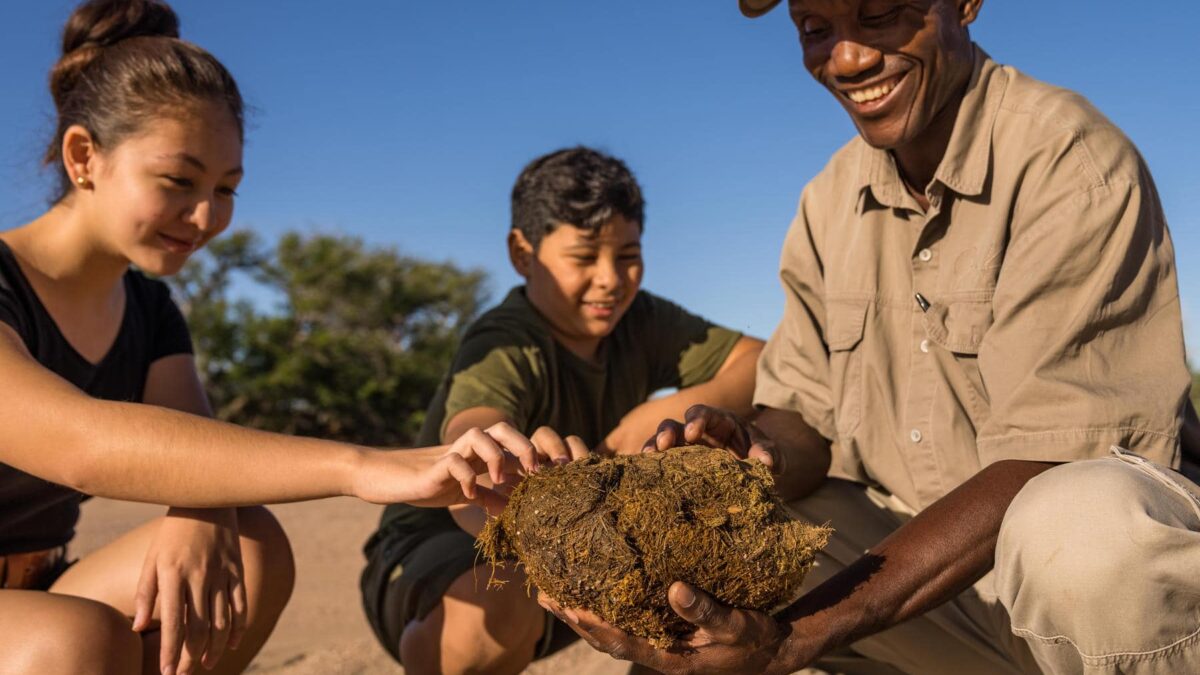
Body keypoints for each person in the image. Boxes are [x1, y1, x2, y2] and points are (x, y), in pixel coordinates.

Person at [539, 1, 1200, 674]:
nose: (848, 60)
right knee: (704, 551)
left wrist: (796, 636)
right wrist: (754, 449)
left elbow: (1049, 456)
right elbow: (804, 421)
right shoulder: (829, 201)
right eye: (816, 30)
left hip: (1085, 607)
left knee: (1083, 524)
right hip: (931, 589)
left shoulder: (1066, 159)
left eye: (880, 14)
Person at [0, 2, 547, 675]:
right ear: (85, 156)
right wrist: (367, 467)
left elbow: (195, 453)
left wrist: (202, 507)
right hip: (47, 623)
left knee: (249, 546)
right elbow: (81, 441)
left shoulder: (149, 308)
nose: (206, 216)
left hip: (41, 586)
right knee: (77, 640)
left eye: (226, 188)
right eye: (179, 180)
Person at [361, 146, 765, 675]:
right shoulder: (507, 339)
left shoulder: (641, 320)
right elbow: (470, 435)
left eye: (627, 255)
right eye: (583, 257)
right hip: (438, 552)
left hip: (580, 548)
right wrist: (503, 474)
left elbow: (760, 358)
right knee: (499, 597)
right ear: (522, 253)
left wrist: (654, 419)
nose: (610, 280)